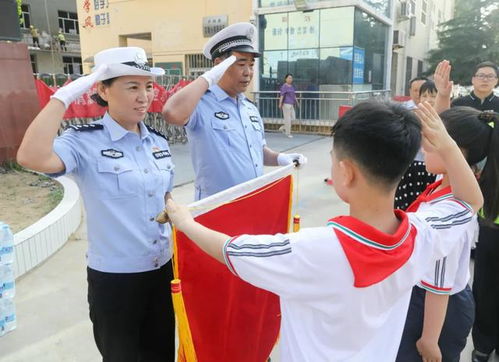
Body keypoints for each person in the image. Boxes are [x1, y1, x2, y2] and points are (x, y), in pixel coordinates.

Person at [165, 100, 483, 361]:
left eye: (334, 159)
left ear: (346, 172)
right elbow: (471, 201)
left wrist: (185, 221)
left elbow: (230, 248)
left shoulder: (311, 251)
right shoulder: (421, 235)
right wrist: (449, 146)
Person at [17, 47, 176, 362]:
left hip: (162, 272)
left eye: (147, 86)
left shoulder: (158, 141)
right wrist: (62, 97)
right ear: (103, 89)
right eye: (132, 86)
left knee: (161, 354)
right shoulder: (83, 141)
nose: (144, 96)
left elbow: (166, 198)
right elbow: (31, 157)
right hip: (116, 281)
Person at [162, 23, 306, 200]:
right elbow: (171, 112)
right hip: (216, 209)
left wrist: (280, 158)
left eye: (251, 65)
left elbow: (257, 151)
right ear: (218, 66)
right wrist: (208, 78)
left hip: (252, 203)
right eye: (241, 64)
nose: (248, 72)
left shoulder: (250, 108)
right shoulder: (200, 104)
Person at [396, 106, 493, 362]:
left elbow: (439, 286)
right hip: (432, 301)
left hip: (436, 312)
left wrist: (429, 339)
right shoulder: (445, 184)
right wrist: (441, 100)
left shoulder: (449, 214)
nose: (423, 145)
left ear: (456, 152)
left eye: (430, 140)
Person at [394, 79, 438, 210]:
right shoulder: (412, 114)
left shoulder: (443, 116)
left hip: (432, 167)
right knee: (408, 200)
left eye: (433, 96)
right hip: (412, 163)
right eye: (425, 95)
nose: (428, 99)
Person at [435, 61, 499, 113]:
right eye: (481, 75)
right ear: (473, 79)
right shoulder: (458, 103)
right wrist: (442, 95)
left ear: (496, 81)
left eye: (490, 76)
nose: (485, 80)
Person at [278, 73, 298, 138]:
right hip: (286, 104)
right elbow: (282, 95)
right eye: (289, 78)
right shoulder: (284, 86)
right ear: (285, 79)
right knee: (288, 119)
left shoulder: (292, 86)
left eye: (291, 78)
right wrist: (280, 103)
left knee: (293, 118)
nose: (290, 79)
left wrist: (297, 102)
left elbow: (294, 95)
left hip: (291, 104)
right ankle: (288, 133)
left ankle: (283, 127)